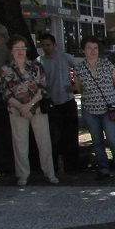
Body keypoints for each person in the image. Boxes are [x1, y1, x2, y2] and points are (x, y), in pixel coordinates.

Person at [0, 35, 58, 186]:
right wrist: (21, 107)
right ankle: (23, 175)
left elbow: (43, 88)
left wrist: (30, 106)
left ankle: (50, 173)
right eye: (16, 48)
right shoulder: (6, 70)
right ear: (11, 51)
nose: (20, 51)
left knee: (44, 141)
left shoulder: (36, 66)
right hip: (16, 110)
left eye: (22, 48)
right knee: (20, 143)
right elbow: (6, 93)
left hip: (36, 108)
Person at [72, 36, 115, 182]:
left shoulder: (107, 65)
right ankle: (103, 168)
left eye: (95, 48)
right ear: (84, 50)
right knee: (97, 141)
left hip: (108, 109)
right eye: (89, 48)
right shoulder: (79, 69)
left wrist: (109, 99)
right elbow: (79, 88)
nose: (93, 51)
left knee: (113, 139)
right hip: (90, 110)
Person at [39, 33, 81, 174]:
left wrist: (75, 86)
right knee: (54, 137)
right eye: (43, 45)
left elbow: (82, 69)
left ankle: (73, 167)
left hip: (67, 102)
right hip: (50, 104)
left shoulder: (65, 57)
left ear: (55, 45)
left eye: (48, 45)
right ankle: (54, 167)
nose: (46, 48)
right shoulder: (39, 61)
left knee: (70, 136)